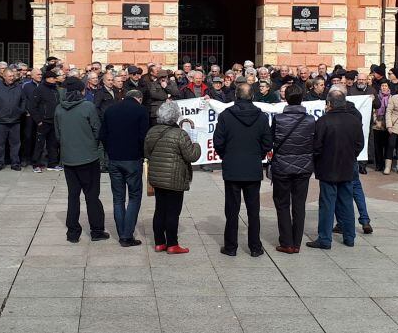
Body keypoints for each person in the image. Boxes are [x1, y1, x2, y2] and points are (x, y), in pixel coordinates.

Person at [213, 83, 272, 257]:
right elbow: (267, 142)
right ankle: (255, 247)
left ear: (236, 97)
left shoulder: (226, 116)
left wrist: (227, 155)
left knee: (232, 209)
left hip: (233, 167)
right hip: (252, 167)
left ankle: (231, 247)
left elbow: (218, 142)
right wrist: (257, 155)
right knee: (253, 210)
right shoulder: (261, 117)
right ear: (252, 96)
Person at [307, 89, 364, 249]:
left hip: (328, 167)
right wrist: (351, 156)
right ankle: (349, 236)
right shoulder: (353, 120)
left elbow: (316, 146)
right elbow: (360, 144)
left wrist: (318, 160)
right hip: (347, 165)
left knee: (327, 203)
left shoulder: (323, 121)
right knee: (346, 201)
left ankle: (325, 239)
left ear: (329, 104)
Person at [145, 100, 201, 254]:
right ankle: (172, 244)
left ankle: (159, 242)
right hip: (174, 178)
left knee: (159, 209)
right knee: (173, 211)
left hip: (157, 176)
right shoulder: (180, 134)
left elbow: (147, 153)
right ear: (176, 116)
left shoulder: (152, 131)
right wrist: (196, 143)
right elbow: (192, 156)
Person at [55, 81, 108, 243]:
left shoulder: (59, 108)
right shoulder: (87, 107)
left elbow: (58, 135)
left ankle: (72, 232)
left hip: (69, 159)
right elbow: (97, 130)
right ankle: (96, 230)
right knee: (92, 196)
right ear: (81, 91)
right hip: (88, 157)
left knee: (73, 196)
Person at [98, 89, 149, 247]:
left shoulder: (111, 110)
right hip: (133, 159)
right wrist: (142, 154)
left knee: (118, 199)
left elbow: (103, 135)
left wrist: (111, 151)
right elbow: (144, 137)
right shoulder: (141, 110)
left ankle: (122, 233)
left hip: (114, 159)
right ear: (138, 99)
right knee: (134, 197)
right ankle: (127, 235)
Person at [270, 86, 316, 254]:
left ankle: (287, 242)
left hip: (282, 166)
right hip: (303, 167)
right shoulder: (311, 120)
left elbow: (271, 139)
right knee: (299, 205)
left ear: (286, 98)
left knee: (282, 204)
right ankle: (296, 242)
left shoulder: (279, 119)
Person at [0, 68, 25, 172]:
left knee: (15, 143)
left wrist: (20, 111)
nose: (12, 78)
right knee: (0, 144)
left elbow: (23, 100)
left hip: (15, 120)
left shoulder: (18, 87)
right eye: (10, 76)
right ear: (4, 76)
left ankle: (15, 163)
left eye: (13, 76)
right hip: (1, 120)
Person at [30, 68, 63, 172]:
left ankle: (52, 164)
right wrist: (38, 120)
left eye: (55, 78)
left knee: (52, 144)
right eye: (52, 78)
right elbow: (32, 106)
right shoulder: (40, 89)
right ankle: (36, 164)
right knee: (39, 143)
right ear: (47, 79)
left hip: (54, 121)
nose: (54, 80)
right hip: (43, 121)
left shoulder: (55, 89)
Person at [372, 80, 391, 171]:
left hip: (388, 122)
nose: (384, 87)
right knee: (377, 145)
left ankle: (386, 164)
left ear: (388, 87)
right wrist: (375, 120)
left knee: (387, 145)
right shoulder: (376, 97)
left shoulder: (392, 97)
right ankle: (379, 164)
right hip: (377, 122)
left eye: (385, 85)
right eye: (382, 85)